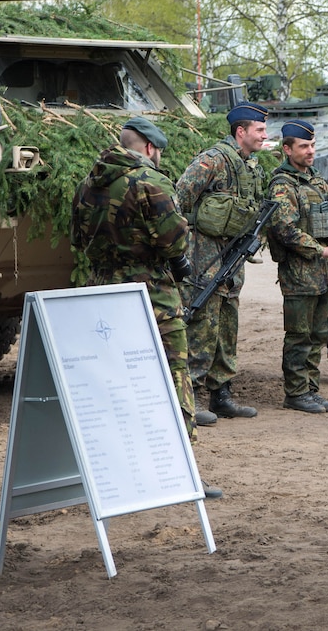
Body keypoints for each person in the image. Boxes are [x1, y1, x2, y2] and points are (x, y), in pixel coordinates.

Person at [70, 117, 222, 497]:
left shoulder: (87, 185)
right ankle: (182, 472)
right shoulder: (149, 182)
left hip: (102, 293)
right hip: (151, 295)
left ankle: (119, 472)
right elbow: (173, 243)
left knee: (114, 380)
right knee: (173, 376)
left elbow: (76, 238)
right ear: (150, 148)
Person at [176, 101, 265, 425]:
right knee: (202, 325)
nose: (263, 135)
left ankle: (222, 393)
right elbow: (179, 199)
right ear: (240, 131)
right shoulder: (212, 160)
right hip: (204, 260)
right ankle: (191, 396)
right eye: (259, 129)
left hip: (231, 260)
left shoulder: (250, 166)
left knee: (227, 326)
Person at [266, 119, 328, 413]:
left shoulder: (316, 180)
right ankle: (295, 392)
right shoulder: (282, 185)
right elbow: (284, 229)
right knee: (299, 336)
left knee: (319, 334)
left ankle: (311, 389)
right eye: (304, 146)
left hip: (324, 274)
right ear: (288, 149)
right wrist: (322, 249)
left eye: (312, 145)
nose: (310, 151)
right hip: (300, 275)